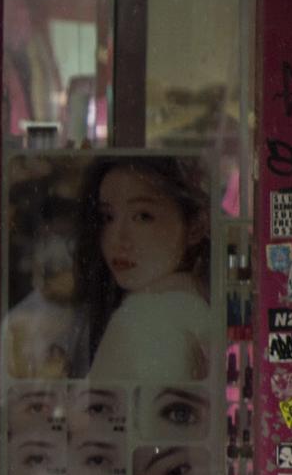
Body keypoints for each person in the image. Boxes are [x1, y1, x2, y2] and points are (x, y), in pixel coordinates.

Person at [73, 156, 214, 380]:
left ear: (196, 226)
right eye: (107, 217)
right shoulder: (194, 305)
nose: (118, 238)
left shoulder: (144, 318)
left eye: (142, 217)